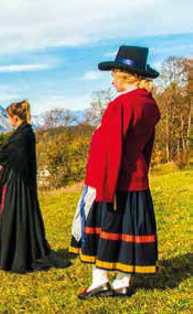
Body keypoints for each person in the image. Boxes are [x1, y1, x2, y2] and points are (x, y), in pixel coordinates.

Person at [69, 45, 161, 299]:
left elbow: (109, 149)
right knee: (128, 232)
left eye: (114, 75)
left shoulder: (121, 106)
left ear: (125, 76)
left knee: (105, 230)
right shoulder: (148, 105)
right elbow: (144, 146)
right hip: (136, 179)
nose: (111, 80)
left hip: (113, 180)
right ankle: (122, 282)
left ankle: (100, 282)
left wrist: (99, 187)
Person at [0, 100, 69, 273]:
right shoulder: (23, 132)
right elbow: (11, 151)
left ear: (15, 117)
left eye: (9, 117)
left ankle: (19, 256)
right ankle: (13, 253)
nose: (8, 121)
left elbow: (12, 155)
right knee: (11, 217)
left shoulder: (25, 134)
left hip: (18, 182)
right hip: (16, 180)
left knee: (15, 217)